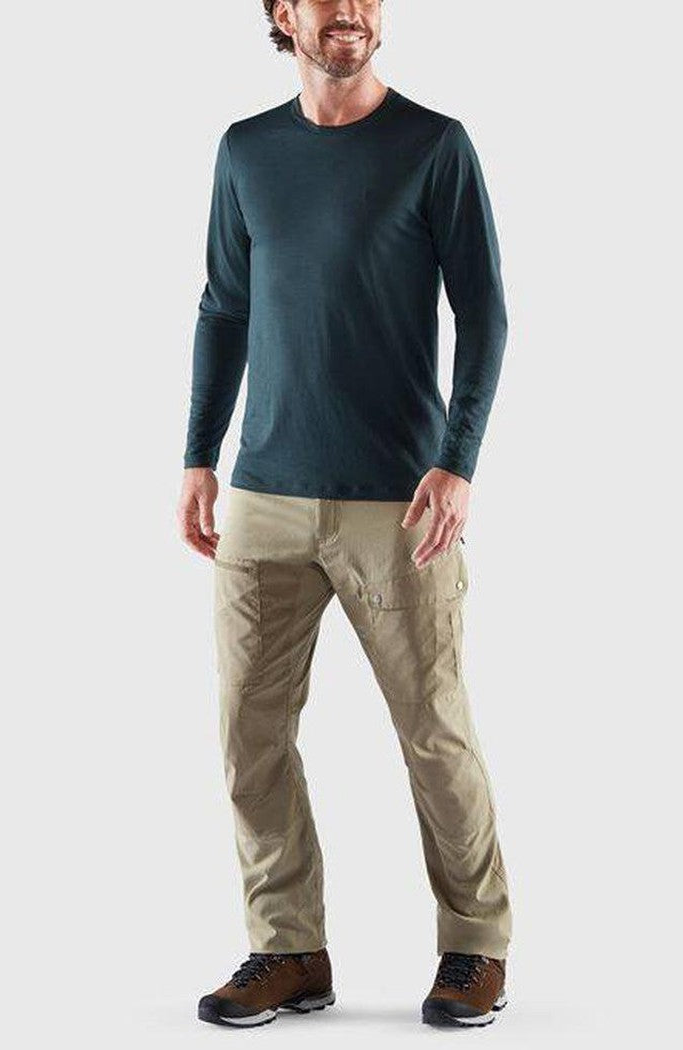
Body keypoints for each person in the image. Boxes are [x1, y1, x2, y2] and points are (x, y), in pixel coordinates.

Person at [178, 0, 512, 1029]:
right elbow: (224, 305)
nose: (354, 12)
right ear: (285, 14)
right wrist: (198, 455)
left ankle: (475, 945)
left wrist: (457, 462)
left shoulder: (434, 146)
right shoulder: (247, 151)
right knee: (250, 734)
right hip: (265, 494)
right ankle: (288, 950)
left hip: (398, 503)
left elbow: (484, 311)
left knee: (433, 732)